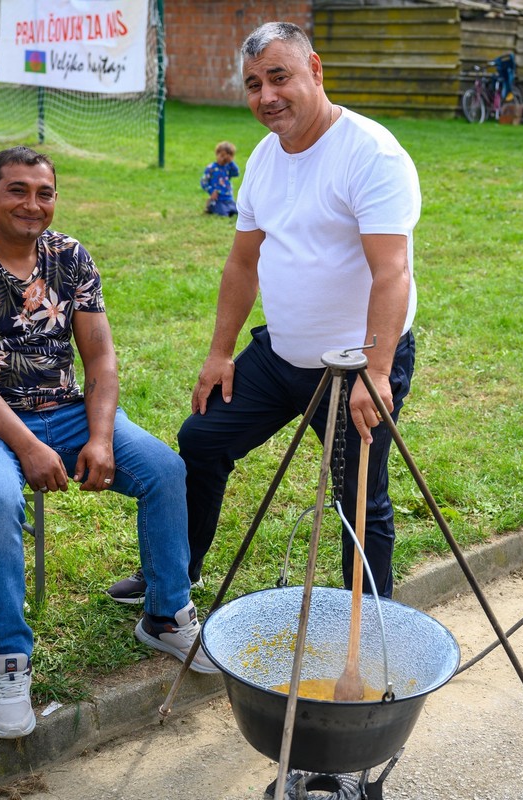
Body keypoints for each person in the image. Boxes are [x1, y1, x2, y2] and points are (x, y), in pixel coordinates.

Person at [107, 22, 420, 604]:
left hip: (355, 364)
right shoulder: (263, 158)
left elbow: (391, 272)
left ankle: (370, 621)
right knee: (201, 440)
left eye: (279, 78)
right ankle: (176, 573)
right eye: (254, 85)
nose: (267, 96)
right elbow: (242, 263)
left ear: (315, 70)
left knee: (358, 495)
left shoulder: (371, 154)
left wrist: (376, 372)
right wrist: (219, 353)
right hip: (279, 355)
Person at [0, 146, 216, 740]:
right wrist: (27, 446)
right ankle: (10, 661)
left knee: (164, 470)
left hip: (68, 409)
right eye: (17, 190)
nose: (33, 204)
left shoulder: (70, 256)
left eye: (44, 193)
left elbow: (100, 357)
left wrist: (100, 436)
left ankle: (165, 616)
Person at [201, 141, 240, 216]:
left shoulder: (228, 168)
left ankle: (227, 207)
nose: (223, 159)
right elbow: (204, 181)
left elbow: (236, 173)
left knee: (236, 211)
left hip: (228, 198)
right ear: (217, 154)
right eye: (222, 156)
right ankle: (211, 206)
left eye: (227, 158)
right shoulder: (211, 168)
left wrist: (231, 162)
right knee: (224, 213)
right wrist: (211, 191)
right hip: (217, 199)